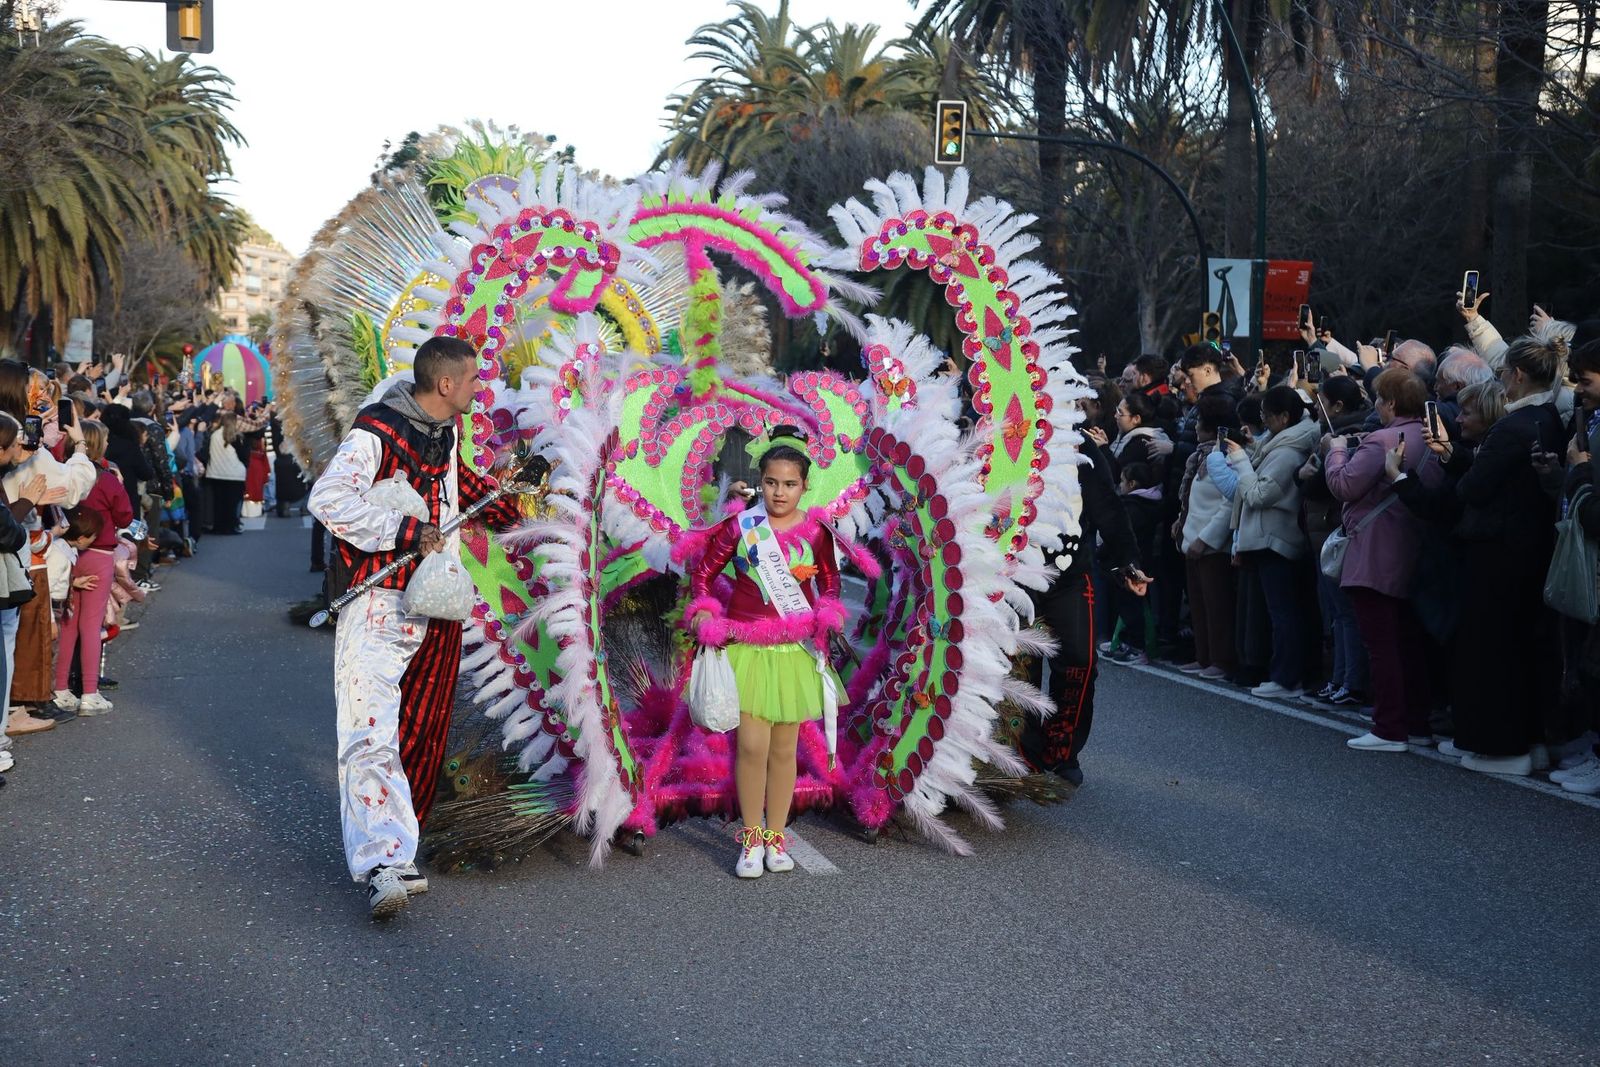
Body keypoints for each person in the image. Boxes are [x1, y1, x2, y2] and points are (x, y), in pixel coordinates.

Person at [308, 337, 524, 920]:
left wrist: (516, 498)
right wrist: (406, 532)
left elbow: (462, 491)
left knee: (420, 728)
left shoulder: (445, 433)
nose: (482, 388)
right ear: (447, 385)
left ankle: (400, 847)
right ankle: (380, 862)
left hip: (436, 602)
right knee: (368, 731)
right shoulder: (379, 432)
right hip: (379, 599)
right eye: (475, 379)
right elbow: (327, 498)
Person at [684, 432, 847, 879]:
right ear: (761, 481)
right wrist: (703, 612)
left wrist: (829, 609)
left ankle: (776, 837)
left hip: (793, 651)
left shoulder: (816, 531)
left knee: (783, 750)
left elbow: (830, 583)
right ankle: (751, 838)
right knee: (751, 746)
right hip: (748, 649)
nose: (780, 492)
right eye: (772, 482)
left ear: (804, 486)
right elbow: (702, 575)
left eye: (790, 484)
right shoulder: (741, 527)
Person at [1418, 337, 1566, 775]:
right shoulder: (1546, 418)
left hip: (1499, 552)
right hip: (1526, 549)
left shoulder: (1513, 426)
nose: (1501, 381)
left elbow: (1474, 489)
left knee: (1493, 650)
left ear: (1518, 376)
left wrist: (1463, 467)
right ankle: (1529, 742)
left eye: (1503, 374)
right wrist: (1458, 456)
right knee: (1520, 647)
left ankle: (1502, 747)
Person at [1019, 429, 1150, 786]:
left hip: (1070, 573)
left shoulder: (1078, 444)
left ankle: (1062, 749)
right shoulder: (1000, 432)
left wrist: (1127, 563)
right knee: (1020, 666)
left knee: (1080, 659)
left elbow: (1106, 504)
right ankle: (1021, 751)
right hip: (1014, 573)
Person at [1325, 368, 1444, 752]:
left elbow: (1344, 484)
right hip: (1415, 546)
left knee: (1381, 643)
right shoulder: (1431, 436)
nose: (1376, 404)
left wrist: (1337, 450)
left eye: (1379, 398)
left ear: (1391, 403)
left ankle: (1388, 726)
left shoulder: (1381, 439)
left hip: (1375, 549)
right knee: (1408, 641)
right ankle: (1416, 722)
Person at [1222, 387, 1321, 697]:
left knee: (1284, 613)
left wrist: (1240, 462)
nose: (1262, 420)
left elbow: (1260, 494)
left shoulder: (1287, 452)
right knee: (1282, 611)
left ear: (1283, 417)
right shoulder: (1279, 445)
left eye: (1266, 415)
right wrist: (1250, 452)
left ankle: (1286, 678)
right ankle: (1285, 674)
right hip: (1271, 537)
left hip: (1276, 539)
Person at [52, 419, 130, 718]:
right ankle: (88, 691)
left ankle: (60, 688)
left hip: (67, 548)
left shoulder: (65, 473)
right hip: (99, 551)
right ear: (98, 445)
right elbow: (124, 517)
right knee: (91, 625)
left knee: (68, 623)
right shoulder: (107, 479)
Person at [1175, 392, 1238, 680]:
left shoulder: (1226, 456)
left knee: (1218, 606)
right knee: (1200, 605)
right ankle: (1203, 657)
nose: (1196, 426)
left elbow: (1229, 502)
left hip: (1213, 545)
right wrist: (1180, 522)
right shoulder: (1198, 456)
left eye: (1200, 421)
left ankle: (1222, 660)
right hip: (1191, 538)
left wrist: (1207, 538)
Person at [204, 411, 248, 535]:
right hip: (234, 474)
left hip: (216, 473)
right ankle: (231, 526)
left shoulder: (214, 435)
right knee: (232, 503)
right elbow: (244, 456)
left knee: (218, 503)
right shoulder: (236, 436)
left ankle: (219, 526)